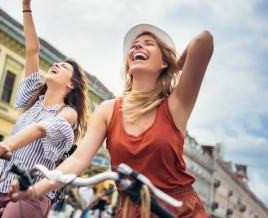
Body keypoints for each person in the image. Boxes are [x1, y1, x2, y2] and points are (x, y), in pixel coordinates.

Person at [11, 23, 214, 217]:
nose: (138, 46)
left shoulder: (176, 105)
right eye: (135, 45)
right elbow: (79, 159)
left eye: (148, 43)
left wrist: (174, 67)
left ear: (163, 62)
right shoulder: (108, 110)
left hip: (178, 211)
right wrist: (37, 189)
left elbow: (203, 40)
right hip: (130, 210)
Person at [0, 0, 88, 217]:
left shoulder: (67, 113)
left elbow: (40, 129)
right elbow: (32, 51)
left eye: (64, 67)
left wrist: (5, 145)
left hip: (32, 192)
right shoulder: (33, 101)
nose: (56, 65)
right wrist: (26, 6)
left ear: (71, 84)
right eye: (56, 63)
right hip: (2, 184)